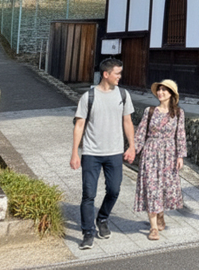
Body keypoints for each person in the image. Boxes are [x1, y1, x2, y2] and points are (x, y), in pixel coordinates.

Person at [71, 57, 135, 250]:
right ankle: (88, 233)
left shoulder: (123, 95)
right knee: (88, 194)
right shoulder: (88, 97)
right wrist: (75, 152)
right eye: (117, 73)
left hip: (115, 152)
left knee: (114, 190)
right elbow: (79, 125)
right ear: (106, 74)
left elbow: (127, 122)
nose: (120, 77)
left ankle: (103, 218)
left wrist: (131, 146)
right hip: (91, 153)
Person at [134, 79, 187, 241]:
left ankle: (161, 213)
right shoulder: (149, 111)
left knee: (165, 187)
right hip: (150, 152)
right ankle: (153, 227)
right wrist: (133, 150)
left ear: (171, 94)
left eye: (164, 90)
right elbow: (141, 132)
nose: (160, 92)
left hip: (169, 154)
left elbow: (181, 134)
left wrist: (180, 156)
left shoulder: (178, 113)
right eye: (159, 90)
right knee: (151, 187)